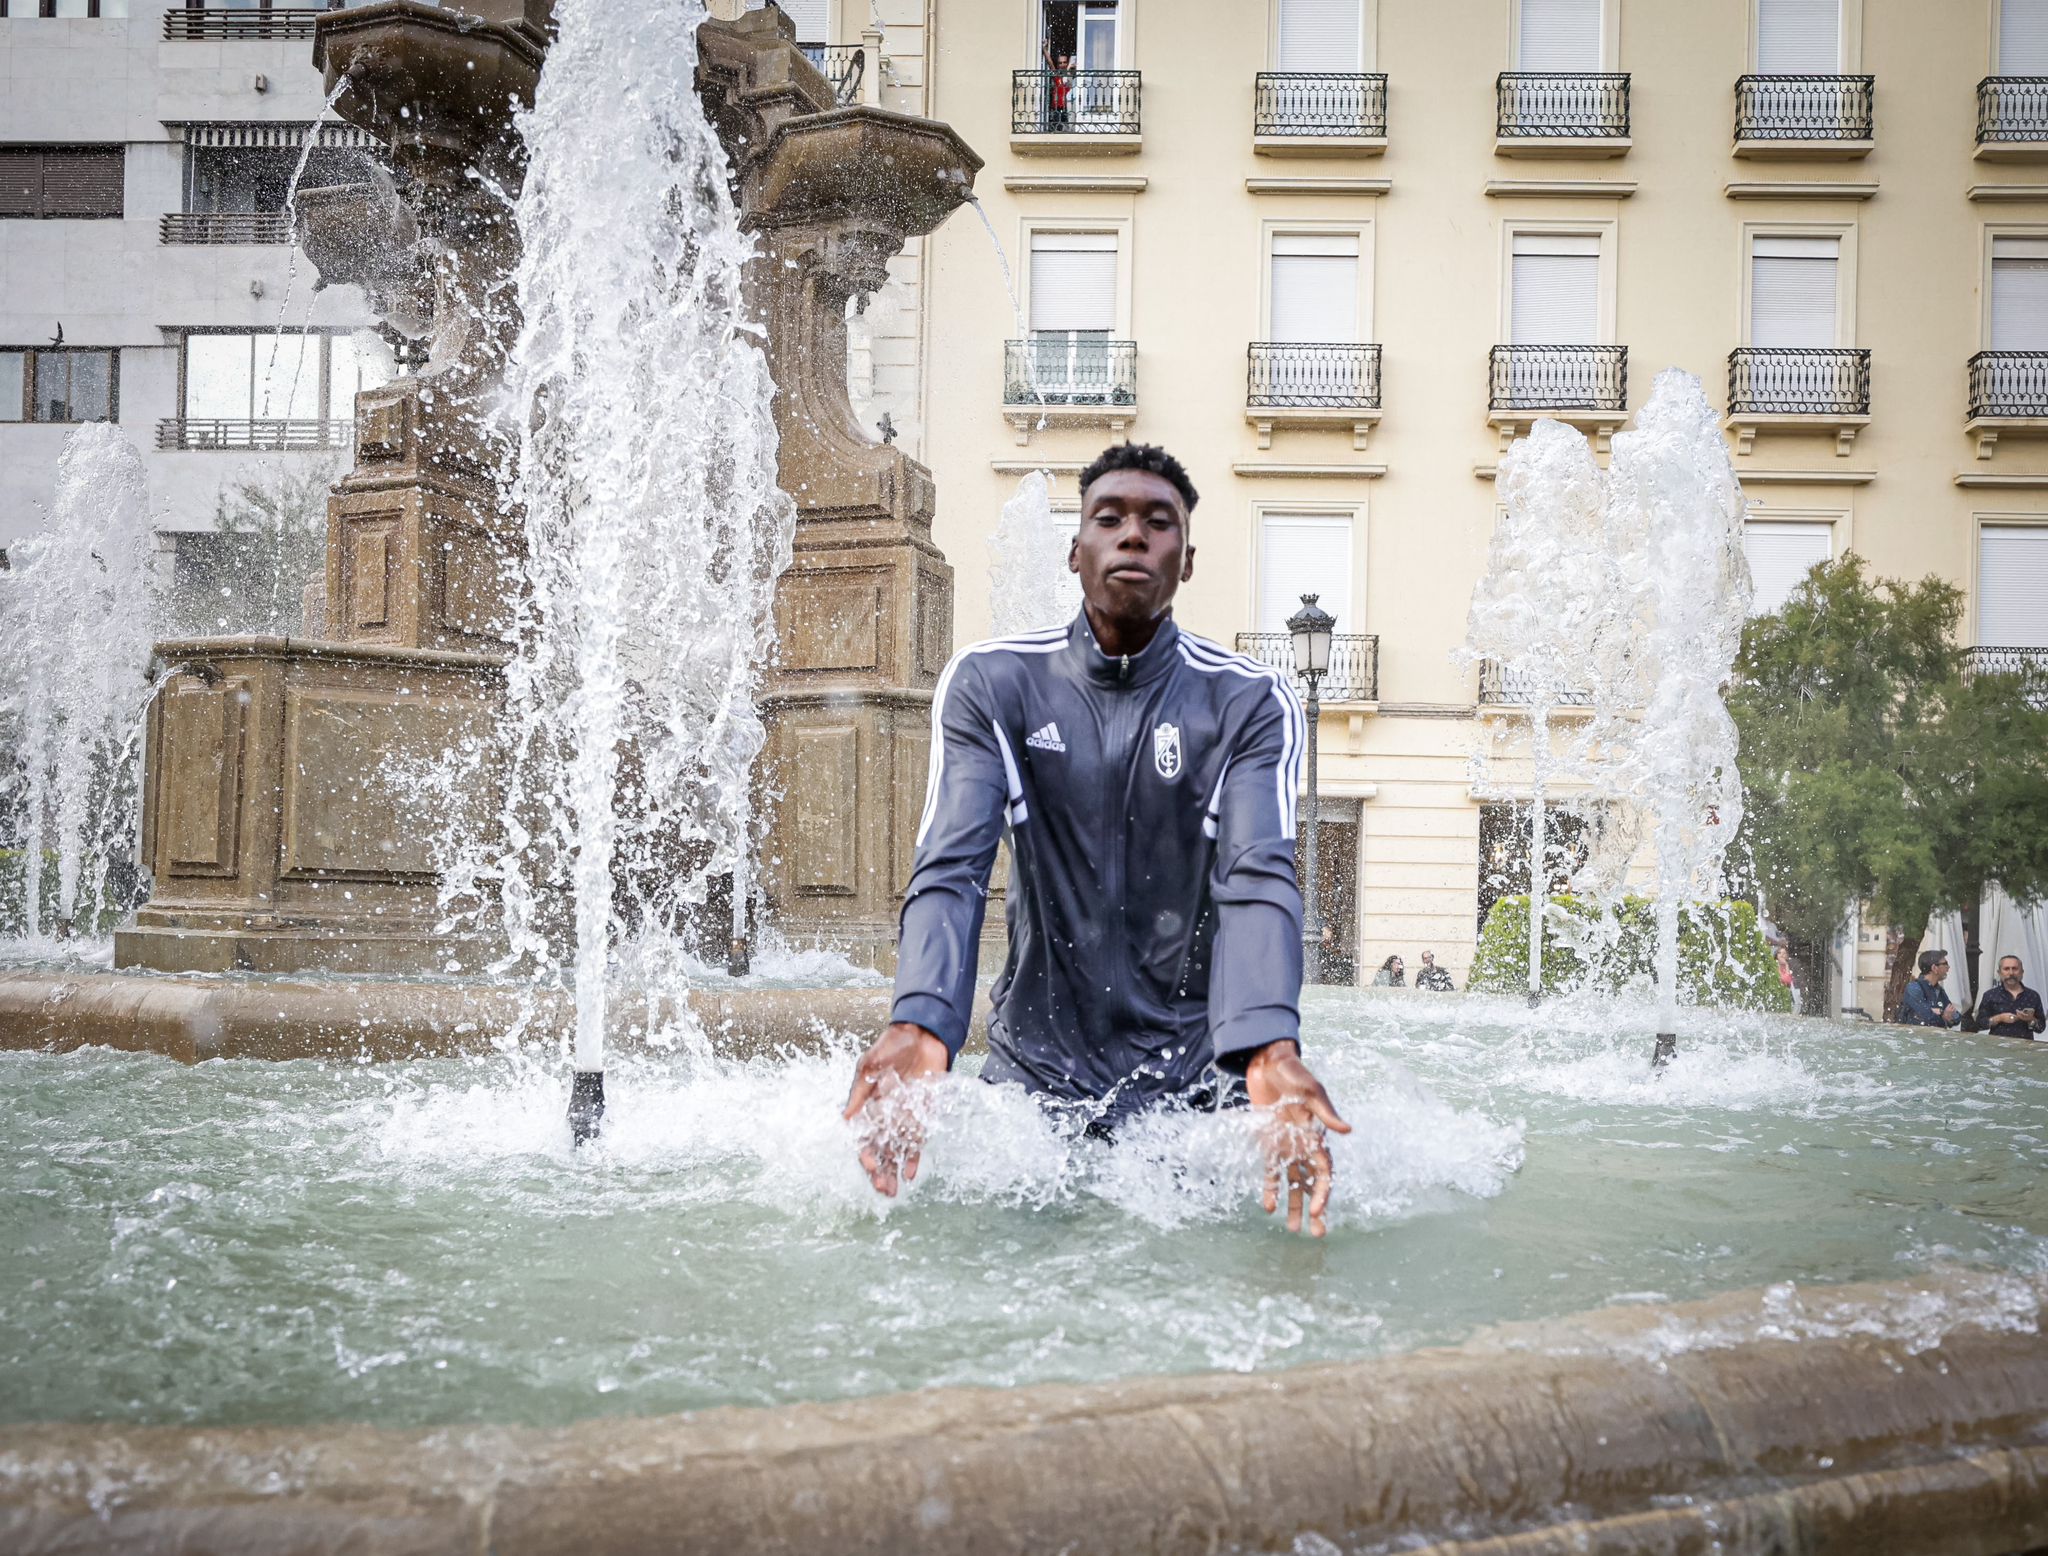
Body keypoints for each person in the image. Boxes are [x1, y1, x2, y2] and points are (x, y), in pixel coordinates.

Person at [844, 443, 1352, 1237]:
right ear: (1073, 550)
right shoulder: (993, 684)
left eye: (1160, 523)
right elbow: (952, 864)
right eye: (1108, 518)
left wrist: (1266, 1049)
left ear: (1186, 562)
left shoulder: (1247, 701)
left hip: (1189, 1082)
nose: (1132, 536)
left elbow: (1258, 876)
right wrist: (919, 1020)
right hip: (1036, 1077)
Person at [1974, 955, 2045, 1040]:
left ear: (2022, 972)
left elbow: (2041, 1028)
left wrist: (2030, 1019)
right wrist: (1999, 1018)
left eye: (2015, 968)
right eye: (2006, 969)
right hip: (1997, 1047)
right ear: (1999, 973)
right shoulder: (1990, 995)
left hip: (2024, 1048)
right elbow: (1979, 1024)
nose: (2011, 973)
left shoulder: (2033, 996)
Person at [1898, 948, 1965, 1028]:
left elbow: (1956, 1018)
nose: (1948, 967)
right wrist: (1942, 1013)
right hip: (1915, 1038)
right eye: (1945, 963)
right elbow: (1926, 1017)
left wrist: (1938, 1012)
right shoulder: (1914, 987)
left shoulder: (1939, 990)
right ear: (1934, 968)